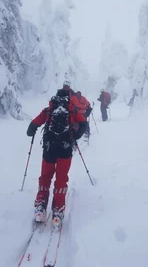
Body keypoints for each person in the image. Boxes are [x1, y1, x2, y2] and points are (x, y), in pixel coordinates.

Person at [26, 87, 87, 229]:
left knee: (45, 177)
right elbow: (84, 124)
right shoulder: (73, 110)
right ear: (69, 98)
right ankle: (58, 212)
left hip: (49, 149)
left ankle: (40, 206)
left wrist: (31, 131)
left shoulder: (49, 110)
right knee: (61, 179)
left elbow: (33, 125)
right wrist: (75, 137)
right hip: (65, 149)